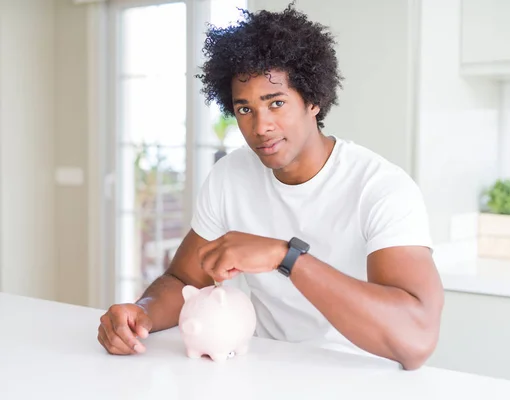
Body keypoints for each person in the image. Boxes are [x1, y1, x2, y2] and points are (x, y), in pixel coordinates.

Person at [97, 4, 444, 370]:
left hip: (361, 374)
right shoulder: (231, 176)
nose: (260, 127)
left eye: (276, 103)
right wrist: (142, 314)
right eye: (245, 109)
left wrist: (286, 257)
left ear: (313, 100)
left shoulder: (380, 188)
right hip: (267, 368)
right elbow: (184, 279)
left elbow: (416, 340)